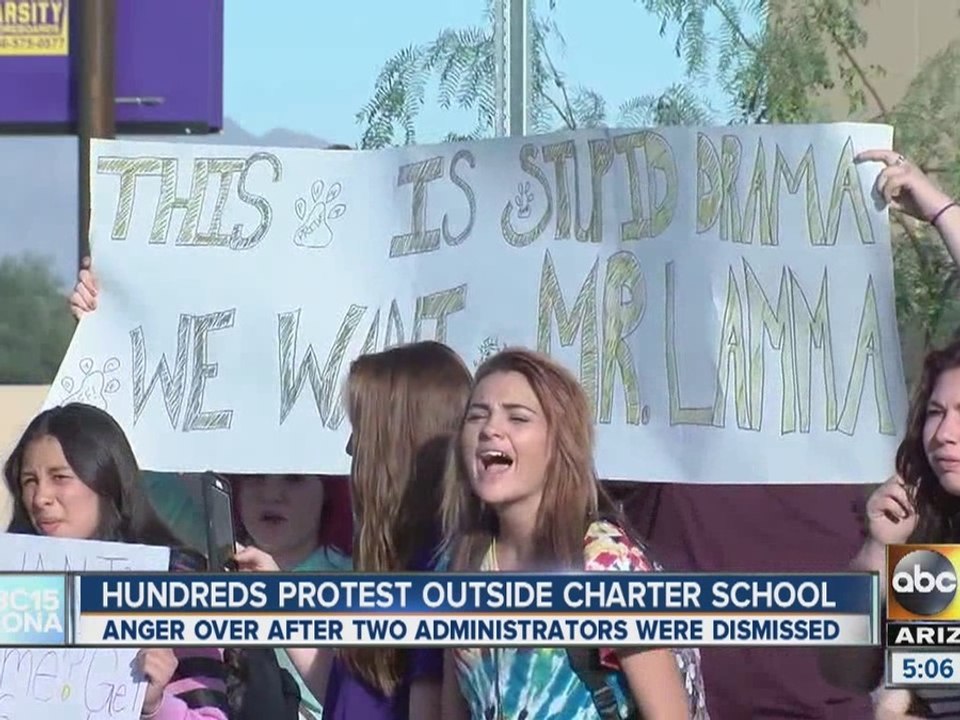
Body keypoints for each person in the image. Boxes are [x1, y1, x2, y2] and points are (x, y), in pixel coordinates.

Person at [439, 348, 708, 720]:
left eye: (518, 418)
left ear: (559, 444)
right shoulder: (461, 564)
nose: (490, 429)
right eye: (477, 415)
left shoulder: (604, 561)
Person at [236, 341, 473, 720]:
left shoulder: (438, 565)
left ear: (399, 441)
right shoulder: (399, 556)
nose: (349, 447)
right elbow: (351, 694)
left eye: (361, 429)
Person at [4, 403, 231, 720]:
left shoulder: (174, 581)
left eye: (60, 477)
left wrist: (153, 705)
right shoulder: (12, 590)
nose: (40, 497)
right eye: (30, 480)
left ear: (105, 482)